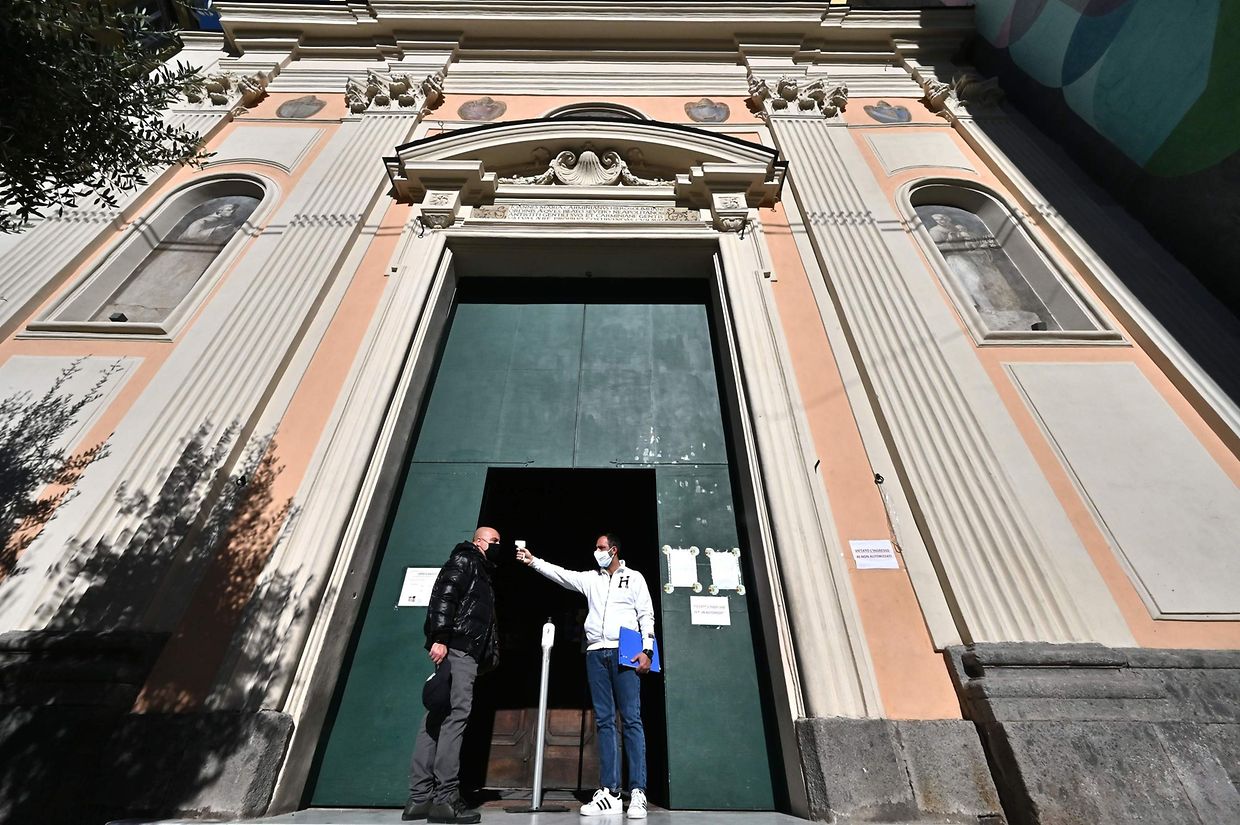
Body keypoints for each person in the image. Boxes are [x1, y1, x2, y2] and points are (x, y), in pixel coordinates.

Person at [516, 534, 655, 819]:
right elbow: (562, 575)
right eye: (595, 547)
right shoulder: (592, 579)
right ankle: (610, 792)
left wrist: (647, 650)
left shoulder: (634, 578)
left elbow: (646, 614)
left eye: (601, 548)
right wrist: (533, 562)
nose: (596, 552)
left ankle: (638, 792)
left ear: (613, 550)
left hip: (625, 652)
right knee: (604, 721)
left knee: (631, 719)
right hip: (595, 652)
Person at [404, 527, 502, 824]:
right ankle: (445, 798)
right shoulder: (466, 561)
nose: (498, 545)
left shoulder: (479, 568)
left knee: (436, 718)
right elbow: (445, 597)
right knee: (454, 718)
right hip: (458, 651)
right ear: (478, 541)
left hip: (457, 650)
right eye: (494, 541)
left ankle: (419, 799)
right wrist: (441, 636)